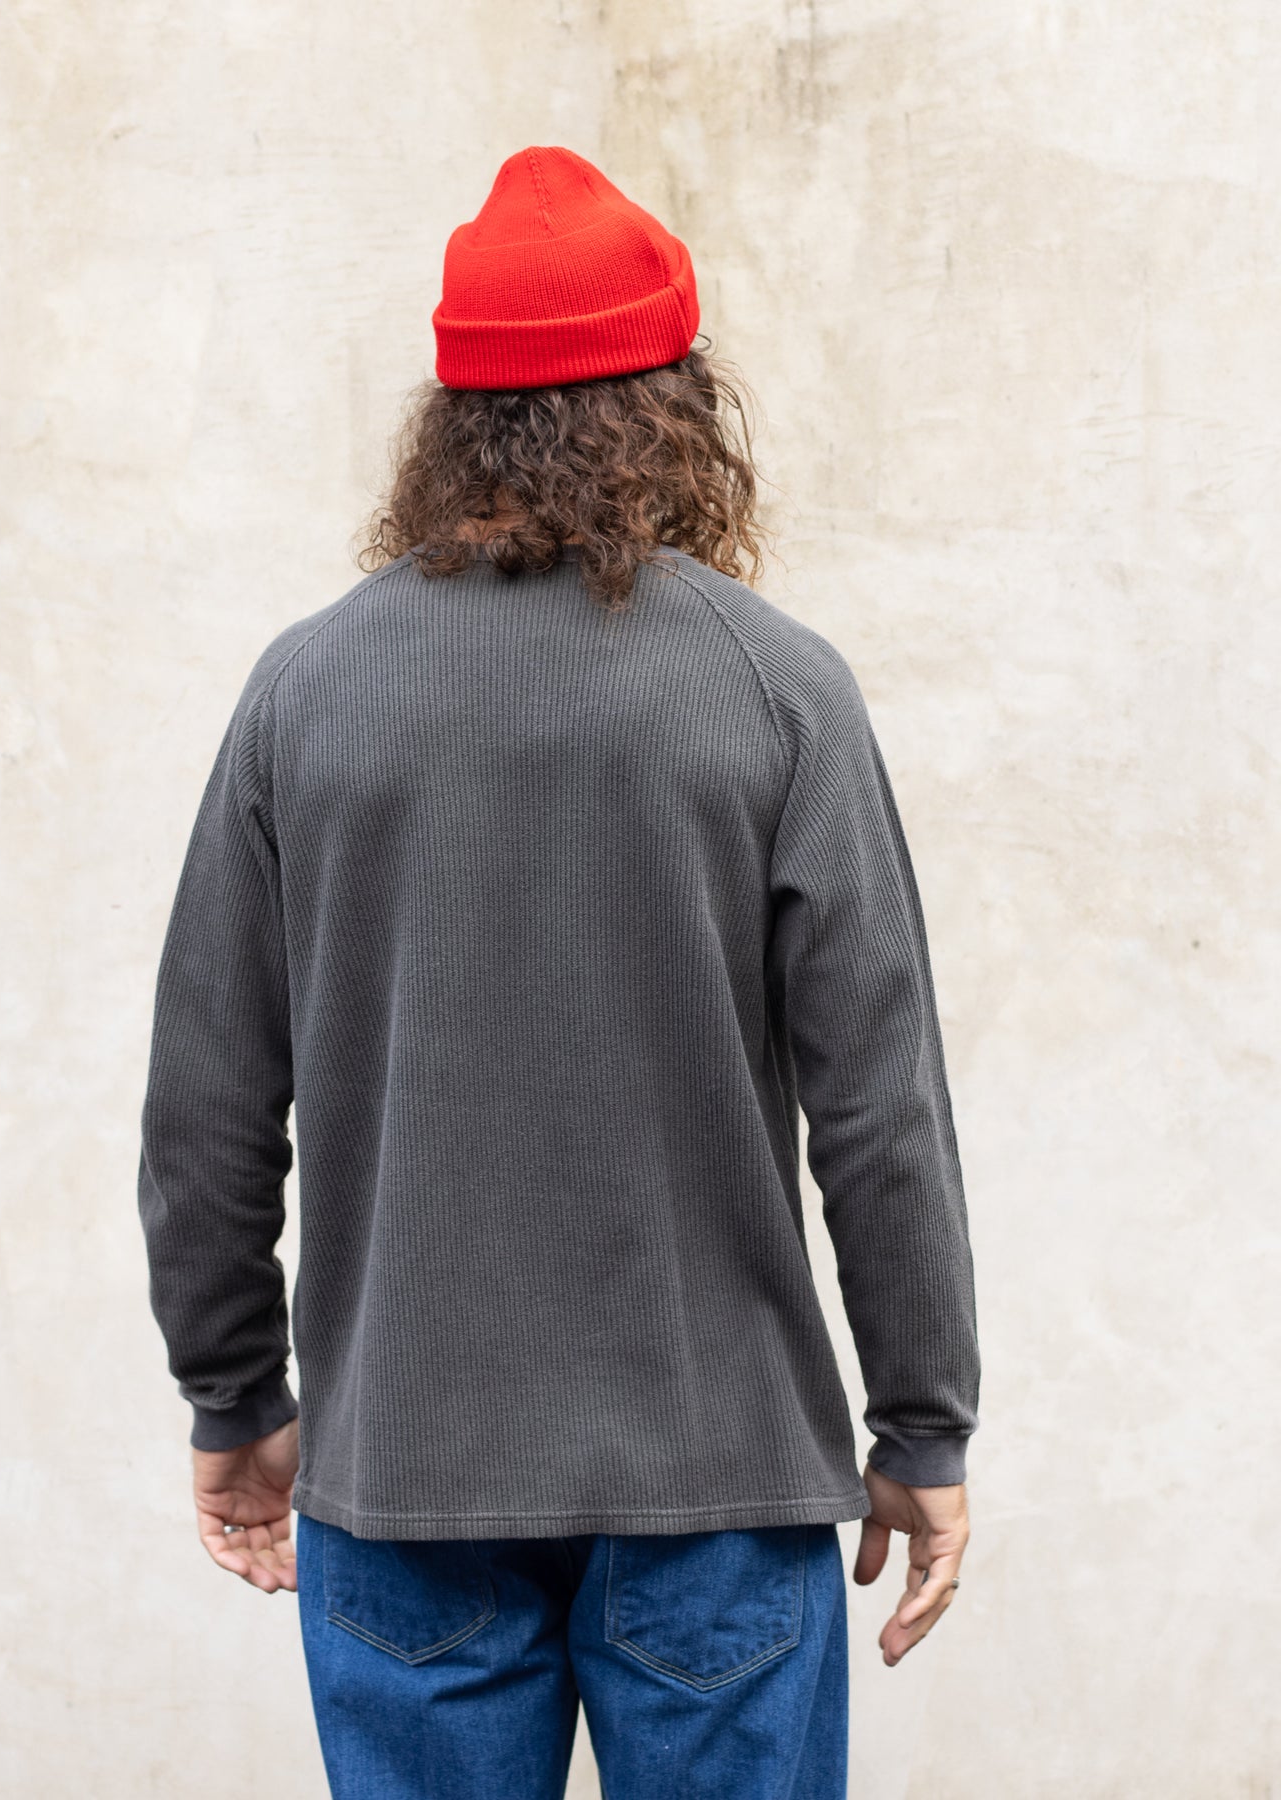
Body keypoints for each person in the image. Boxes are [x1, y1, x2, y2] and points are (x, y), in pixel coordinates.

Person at [137, 144, 980, 1800]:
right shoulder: (779, 692)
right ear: (676, 413)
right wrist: (922, 1423)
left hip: (402, 1489)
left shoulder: (305, 695)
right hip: (721, 1492)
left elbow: (206, 1108)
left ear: (452, 421)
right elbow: (882, 1111)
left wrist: (233, 1400)